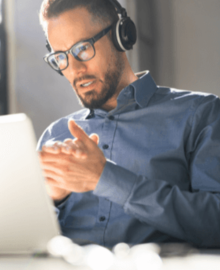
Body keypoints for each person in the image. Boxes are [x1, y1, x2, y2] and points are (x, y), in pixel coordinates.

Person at [37, 0, 220, 248]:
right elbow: (26, 241)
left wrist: (105, 178)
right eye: (61, 57)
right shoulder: (53, 135)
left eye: (82, 48)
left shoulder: (200, 114)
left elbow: (215, 224)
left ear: (121, 36)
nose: (75, 69)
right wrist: (50, 202)